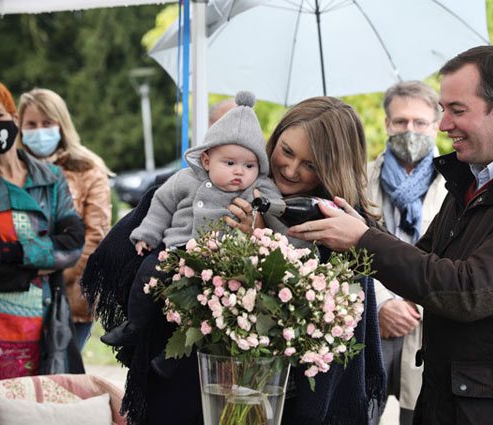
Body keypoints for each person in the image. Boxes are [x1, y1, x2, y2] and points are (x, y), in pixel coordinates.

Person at [289, 45, 493, 424]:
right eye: (443, 109)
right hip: (459, 399)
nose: (444, 123)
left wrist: (361, 240)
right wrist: (357, 227)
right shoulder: (474, 177)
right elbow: (424, 257)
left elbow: (470, 291)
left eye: (457, 110)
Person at [82, 95, 385, 425]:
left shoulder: (343, 229)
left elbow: (340, 341)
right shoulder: (218, 181)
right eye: (286, 151)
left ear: (334, 169)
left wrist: (263, 241)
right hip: (186, 383)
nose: (292, 169)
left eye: (311, 165)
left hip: (281, 399)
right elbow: (128, 254)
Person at [99, 91, 280, 348]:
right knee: (147, 276)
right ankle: (134, 326)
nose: (239, 171)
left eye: (249, 166)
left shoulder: (254, 189)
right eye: (229, 163)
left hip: (219, 260)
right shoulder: (186, 179)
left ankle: (170, 359)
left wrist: (269, 205)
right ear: (206, 160)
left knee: (200, 314)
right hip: (177, 249)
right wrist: (148, 234)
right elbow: (161, 203)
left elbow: (277, 207)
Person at [0, 79, 86, 389]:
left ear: (12, 117)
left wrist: (8, 251)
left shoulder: (50, 178)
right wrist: (36, 268)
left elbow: (73, 244)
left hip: (47, 325)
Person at [367, 81, 446, 425]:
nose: (409, 130)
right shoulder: (360, 179)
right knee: (360, 411)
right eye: (401, 122)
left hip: (427, 325)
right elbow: (347, 249)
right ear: (387, 124)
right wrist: (383, 303)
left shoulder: (457, 184)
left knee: (420, 416)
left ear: (437, 125)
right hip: (372, 321)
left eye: (420, 122)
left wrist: (414, 301)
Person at [17, 88, 113, 351]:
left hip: (70, 299)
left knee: (60, 381)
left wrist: (52, 274)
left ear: (61, 124)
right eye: (31, 124)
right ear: (20, 127)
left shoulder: (87, 169)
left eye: (47, 123)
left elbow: (96, 237)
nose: (39, 131)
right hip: (17, 296)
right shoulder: (11, 169)